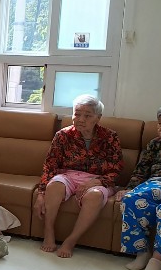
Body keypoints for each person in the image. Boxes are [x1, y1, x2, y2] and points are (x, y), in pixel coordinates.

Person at [36, 94, 123, 258]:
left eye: (87, 115)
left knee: (95, 196)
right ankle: (48, 232)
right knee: (54, 185)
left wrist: (96, 181)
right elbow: (50, 165)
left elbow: (116, 169)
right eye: (77, 114)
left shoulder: (110, 137)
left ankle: (71, 241)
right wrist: (41, 193)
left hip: (98, 180)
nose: (80, 119)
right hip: (68, 176)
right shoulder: (63, 135)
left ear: (98, 118)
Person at [116, 103, 161, 270]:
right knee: (131, 199)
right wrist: (129, 188)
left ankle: (157, 259)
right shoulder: (154, 144)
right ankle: (142, 252)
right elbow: (141, 170)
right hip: (155, 183)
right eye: (160, 123)